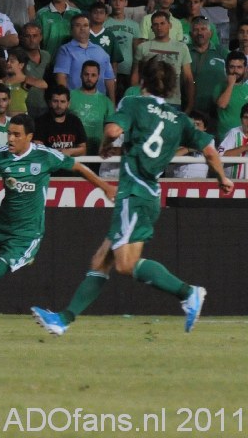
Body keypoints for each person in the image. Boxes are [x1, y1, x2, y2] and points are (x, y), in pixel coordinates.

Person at [31, 58, 233, 336]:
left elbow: (113, 130)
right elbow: (210, 149)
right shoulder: (181, 120)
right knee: (101, 259)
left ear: (143, 81)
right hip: (149, 193)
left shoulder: (133, 103)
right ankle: (63, 320)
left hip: (134, 191)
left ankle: (189, 293)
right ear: (172, 87)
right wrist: (222, 177)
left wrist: (104, 145)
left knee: (125, 263)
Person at [0, 113, 114, 330]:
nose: (11, 139)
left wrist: (106, 187)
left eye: (16, 135)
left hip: (26, 235)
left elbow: (78, 167)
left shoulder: (45, 156)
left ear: (30, 137)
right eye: (9, 133)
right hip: (0, 228)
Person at [69, 60, 115, 155]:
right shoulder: (69, 96)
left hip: (97, 152)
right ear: (81, 75)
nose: (89, 78)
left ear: (98, 77)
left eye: (93, 75)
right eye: (86, 74)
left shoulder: (106, 102)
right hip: (73, 150)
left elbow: (111, 130)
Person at [34, 85, 88, 157]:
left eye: (62, 101)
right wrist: (57, 153)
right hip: (50, 167)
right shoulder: (40, 122)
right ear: (50, 103)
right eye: (55, 101)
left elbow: (83, 150)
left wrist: (69, 151)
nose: (59, 105)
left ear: (68, 104)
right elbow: (38, 150)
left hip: (70, 166)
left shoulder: (75, 121)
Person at [214, 51, 248, 142]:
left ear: (245, 69)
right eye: (232, 67)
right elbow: (222, 104)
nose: (235, 71)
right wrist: (231, 85)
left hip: (244, 137)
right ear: (226, 68)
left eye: (239, 67)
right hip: (225, 138)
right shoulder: (219, 87)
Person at [218, 102, 248, 179]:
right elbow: (220, 155)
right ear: (241, 119)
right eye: (246, 117)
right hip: (232, 182)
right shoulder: (233, 133)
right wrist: (244, 147)